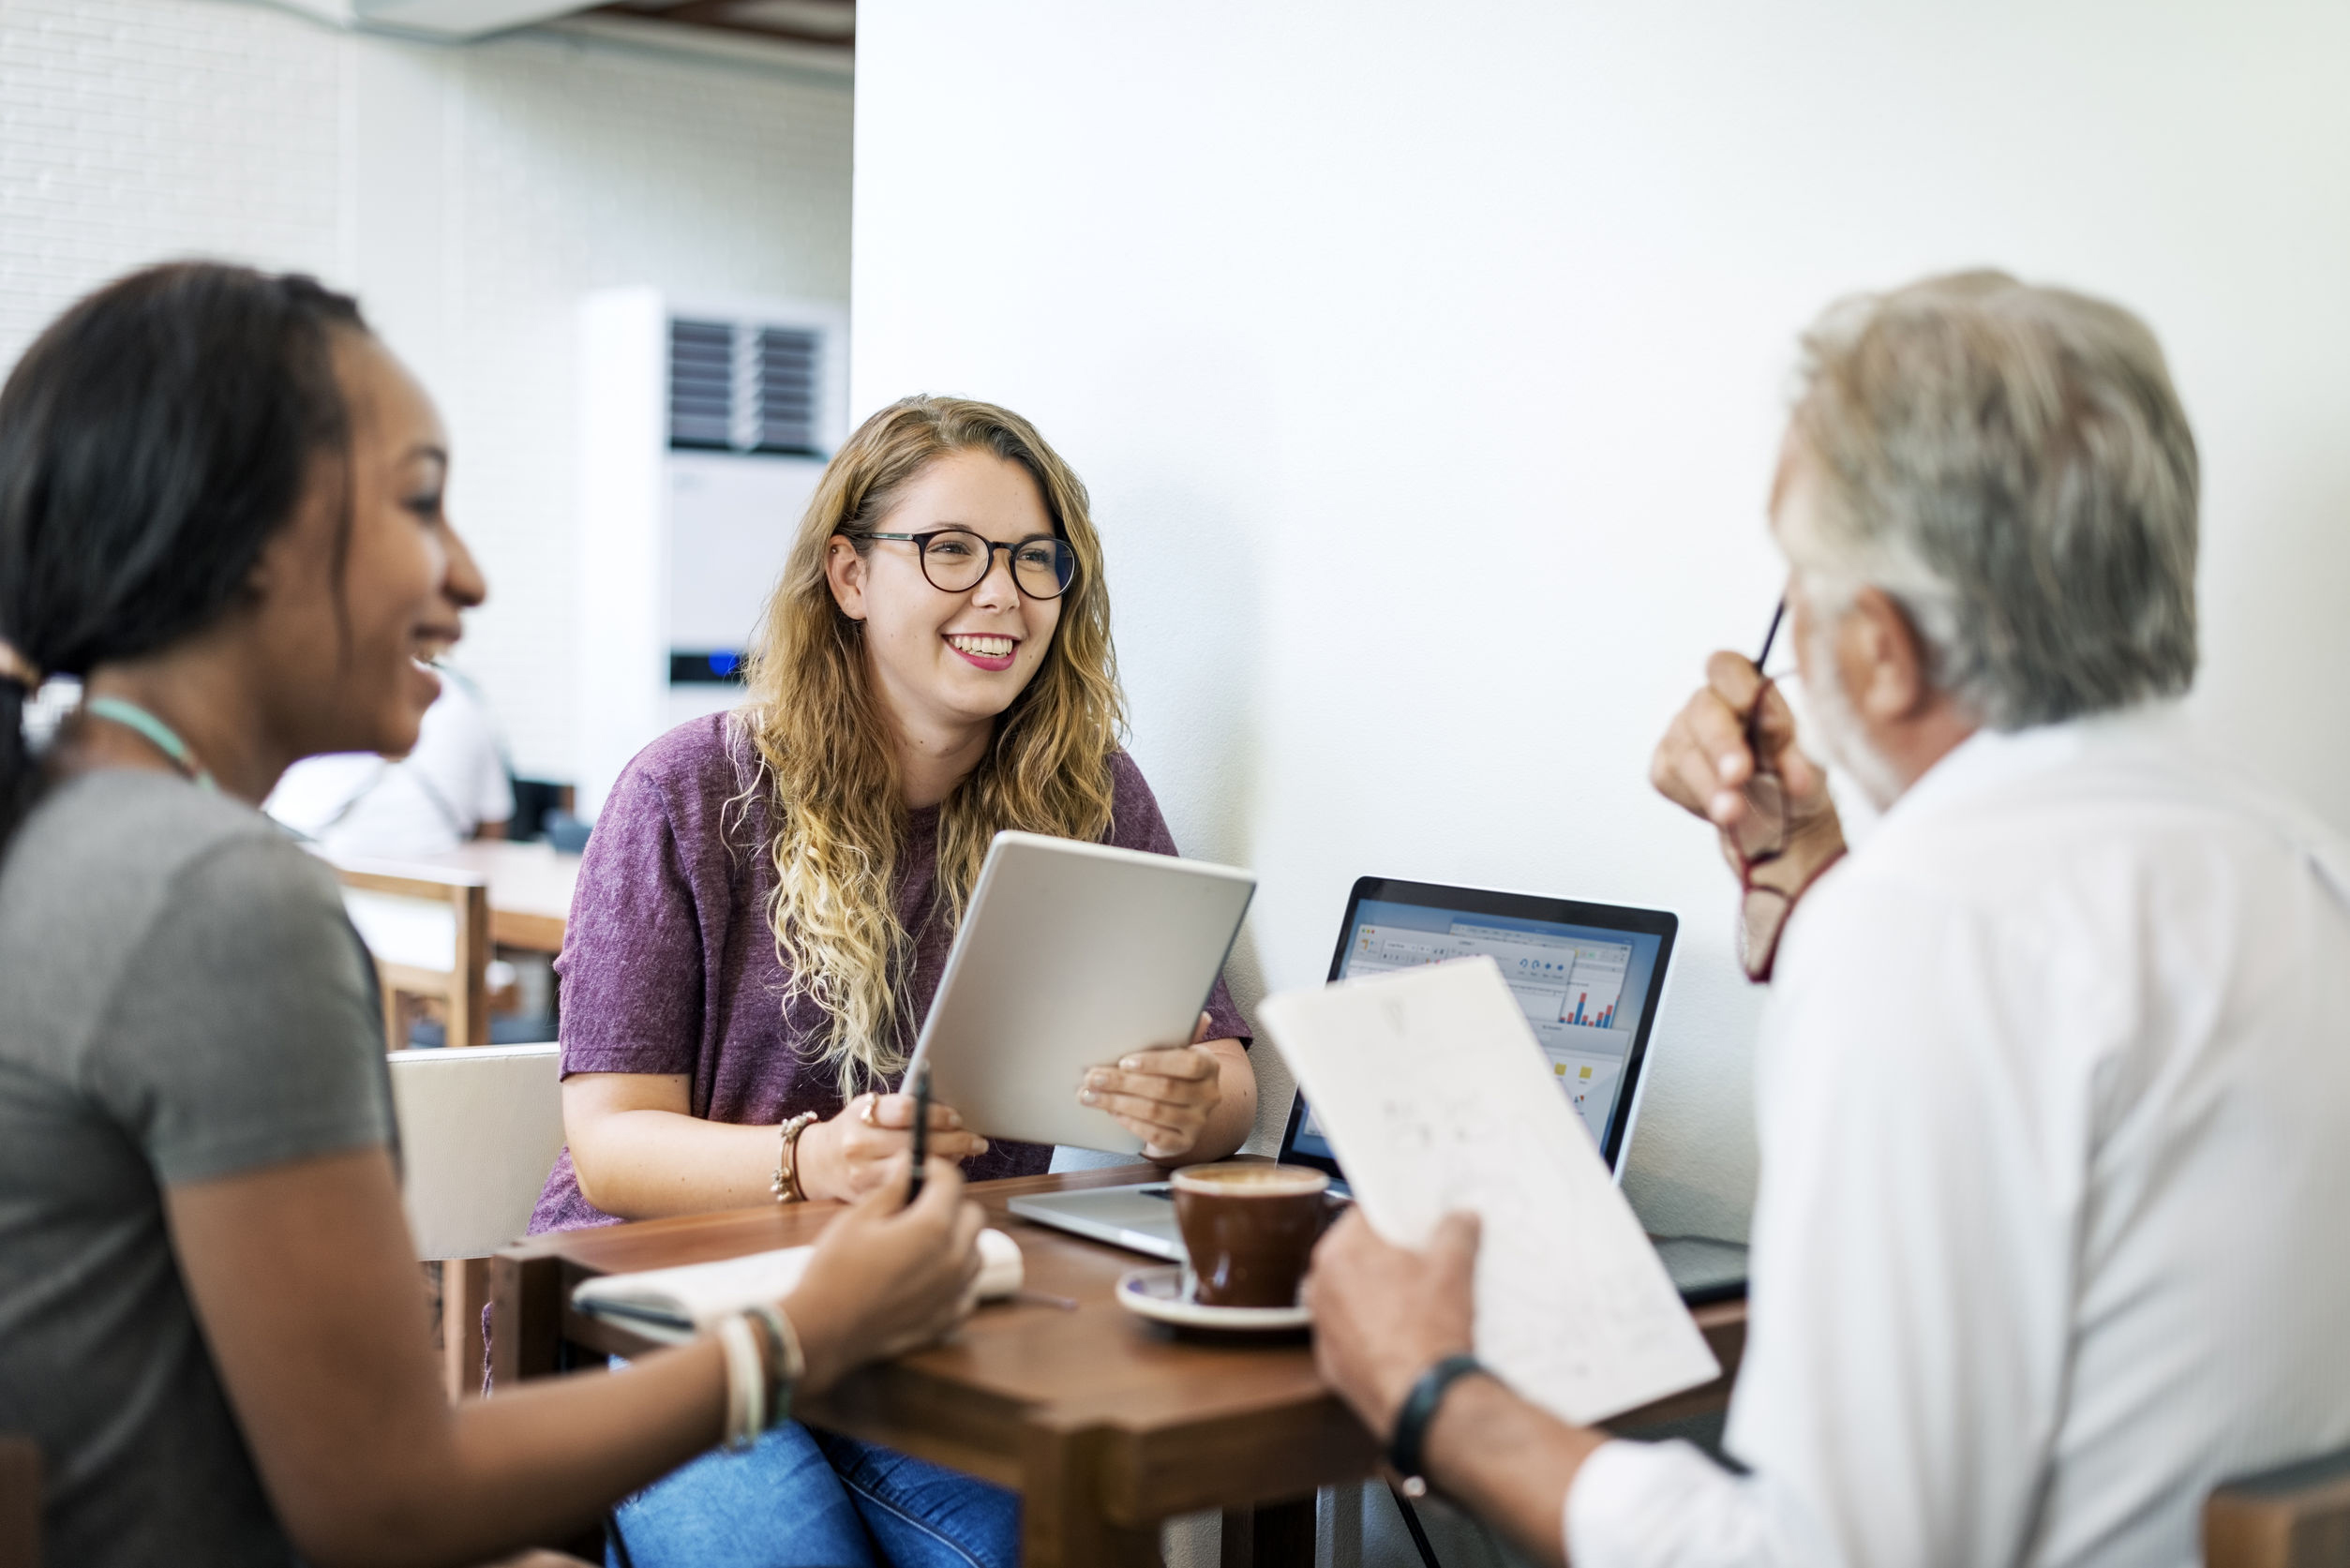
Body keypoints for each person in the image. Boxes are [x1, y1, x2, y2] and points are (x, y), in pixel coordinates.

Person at [1301, 271, 2350, 1567]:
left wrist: (1431, 1396)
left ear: (1877, 649)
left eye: (1796, 580)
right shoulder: (2298, 866)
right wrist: (1810, 868)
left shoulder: (1930, 928)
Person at [0, 261, 988, 1568]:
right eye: (420, 503)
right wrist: (804, 1331)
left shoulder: (68, 827)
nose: (467, 575)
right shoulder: (215, 898)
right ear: (246, 542)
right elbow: (384, 1501)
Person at [529, 393, 1257, 1567]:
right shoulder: (684, 790)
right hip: (669, 1306)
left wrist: (1194, 1105)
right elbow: (609, 1141)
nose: (1002, 595)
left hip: (926, 1318)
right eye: (951, 551)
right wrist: (807, 1161)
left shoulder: (1092, 794)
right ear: (850, 577)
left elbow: (1225, 1081)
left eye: (1035, 561)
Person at [266, 670, 514, 856]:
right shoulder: (467, 702)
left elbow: (280, 817)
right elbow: (494, 826)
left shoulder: (321, 690)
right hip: (442, 896)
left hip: (335, 882)